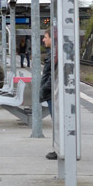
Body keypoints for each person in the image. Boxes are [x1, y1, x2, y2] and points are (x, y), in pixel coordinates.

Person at [41, 30, 56, 160]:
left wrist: (45, 89)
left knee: (57, 123)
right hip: (50, 93)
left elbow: (52, 76)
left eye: (45, 37)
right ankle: (58, 148)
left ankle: (59, 149)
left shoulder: (54, 55)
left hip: (52, 94)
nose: (43, 40)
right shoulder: (53, 54)